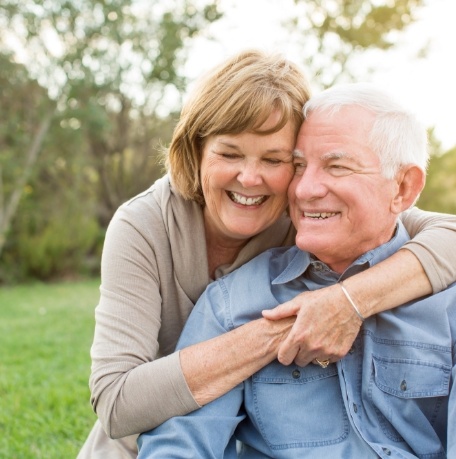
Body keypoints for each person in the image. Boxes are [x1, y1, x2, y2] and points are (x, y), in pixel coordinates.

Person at [78, 50, 456, 459]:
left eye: (277, 160)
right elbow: (119, 402)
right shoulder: (147, 227)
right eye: (229, 153)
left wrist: (348, 301)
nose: (251, 178)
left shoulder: (307, 214)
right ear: (197, 150)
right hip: (136, 428)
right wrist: (295, 324)